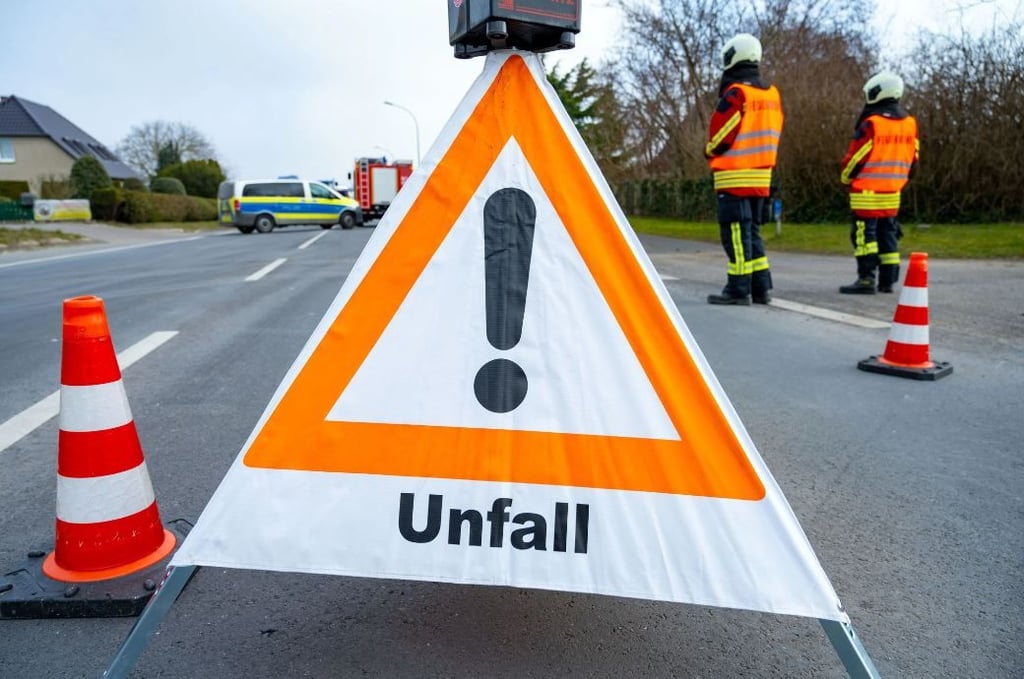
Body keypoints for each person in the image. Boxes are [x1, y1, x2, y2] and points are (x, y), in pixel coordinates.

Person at [705, 33, 784, 305]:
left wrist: (709, 149)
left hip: (735, 177)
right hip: (761, 178)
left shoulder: (737, 93)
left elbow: (721, 135)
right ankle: (762, 288)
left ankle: (738, 290)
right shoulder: (771, 94)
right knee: (753, 234)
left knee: (736, 236)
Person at [839, 70, 919, 294]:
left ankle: (866, 279)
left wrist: (845, 179)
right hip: (893, 193)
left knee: (865, 236)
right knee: (888, 234)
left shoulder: (872, 124)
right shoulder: (910, 124)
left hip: (867, 192)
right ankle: (888, 281)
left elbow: (855, 157)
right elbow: (914, 161)